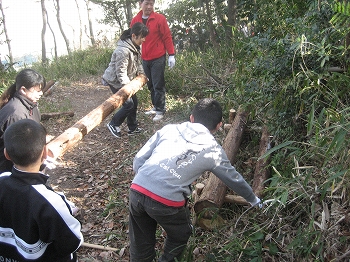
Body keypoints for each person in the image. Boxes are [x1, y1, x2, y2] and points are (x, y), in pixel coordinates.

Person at [128, 98, 262, 261]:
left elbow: (138, 160)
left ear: (192, 118)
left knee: (140, 242)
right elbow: (233, 179)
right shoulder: (212, 150)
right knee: (181, 233)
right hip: (167, 202)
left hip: (137, 189)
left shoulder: (169, 129)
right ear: (219, 126)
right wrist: (253, 199)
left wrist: (147, 182)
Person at [0, 119, 83, 261]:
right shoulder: (50, 202)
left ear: (6, 154)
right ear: (45, 152)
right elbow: (73, 241)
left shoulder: (2, 180)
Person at [130, 0, 176, 122]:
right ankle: (156, 107)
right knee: (150, 85)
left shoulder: (159, 19)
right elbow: (133, 39)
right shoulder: (135, 20)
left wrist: (171, 54)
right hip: (144, 58)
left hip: (158, 57)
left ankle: (161, 110)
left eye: (151, 4)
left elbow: (167, 36)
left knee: (158, 84)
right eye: (147, 4)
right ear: (140, 3)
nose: (149, 7)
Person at [103, 22, 149, 138]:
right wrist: (128, 89)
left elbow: (138, 64)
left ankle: (132, 128)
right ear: (134, 36)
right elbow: (120, 73)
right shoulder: (122, 51)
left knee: (135, 102)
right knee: (128, 104)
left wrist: (143, 75)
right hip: (115, 81)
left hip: (125, 80)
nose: (144, 39)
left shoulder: (135, 47)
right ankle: (113, 124)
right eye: (142, 37)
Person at [0, 69, 45, 173]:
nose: (41, 93)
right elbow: (19, 152)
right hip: (11, 171)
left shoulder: (30, 104)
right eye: (38, 91)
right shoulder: (16, 114)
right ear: (23, 90)